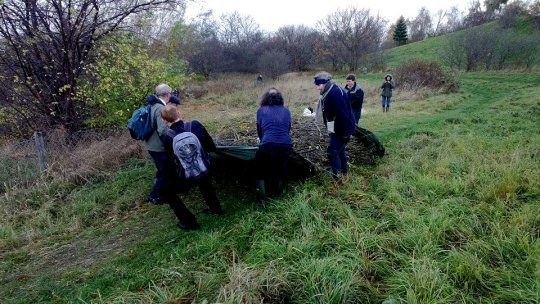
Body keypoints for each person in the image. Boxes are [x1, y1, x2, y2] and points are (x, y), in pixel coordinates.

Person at [160, 104, 224, 230]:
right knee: (204, 177)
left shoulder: (167, 138)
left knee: (167, 191)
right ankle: (216, 209)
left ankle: (189, 222)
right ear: (178, 113)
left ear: (164, 121)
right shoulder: (195, 125)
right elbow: (211, 146)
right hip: (206, 169)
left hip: (187, 176)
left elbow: (171, 163)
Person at [255, 87, 293, 206]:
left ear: (265, 98)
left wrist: (263, 141)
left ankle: (262, 199)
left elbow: (260, 131)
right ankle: (278, 194)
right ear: (280, 98)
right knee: (281, 169)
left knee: (259, 171)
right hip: (286, 145)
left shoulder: (261, 110)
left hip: (267, 144)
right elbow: (287, 129)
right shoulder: (286, 111)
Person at [314, 71, 356, 179]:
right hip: (335, 127)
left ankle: (337, 178)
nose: (317, 88)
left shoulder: (335, 93)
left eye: (318, 85)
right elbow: (330, 114)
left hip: (342, 128)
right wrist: (330, 130)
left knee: (332, 152)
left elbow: (344, 115)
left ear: (325, 82)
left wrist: (345, 134)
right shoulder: (329, 92)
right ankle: (344, 174)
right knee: (340, 150)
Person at [144, 83, 177, 205]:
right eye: (170, 93)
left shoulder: (153, 104)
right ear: (167, 94)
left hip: (151, 145)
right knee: (165, 170)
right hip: (158, 147)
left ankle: (169, 189)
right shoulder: (159, 108)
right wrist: (175, 135)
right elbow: (162, 129)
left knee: (163, 169)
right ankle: (155, 195)